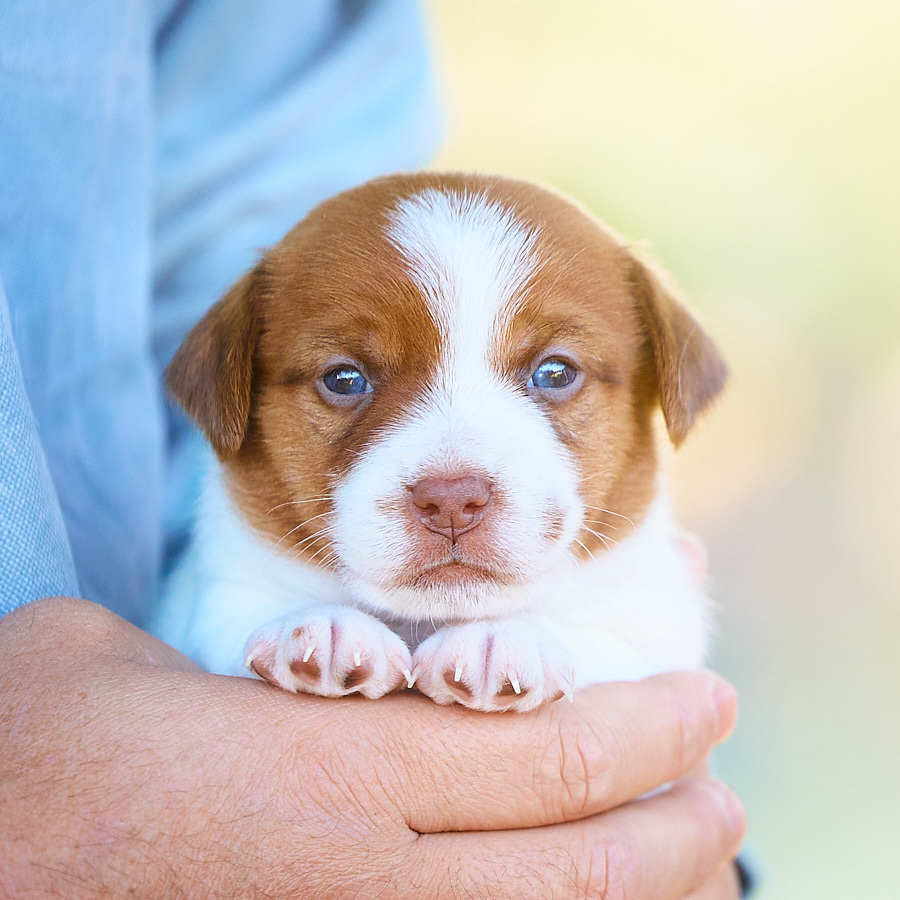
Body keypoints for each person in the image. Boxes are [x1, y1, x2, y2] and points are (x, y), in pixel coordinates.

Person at [0, 2, 749, 896]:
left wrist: (569, 661)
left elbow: (654, 691)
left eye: (554, 375)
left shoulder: (624, 593)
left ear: (659, 395)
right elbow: (211, 622)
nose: (452, 481)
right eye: (347, 382)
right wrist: (274, 641)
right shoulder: (245, 574)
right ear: (230, 398)